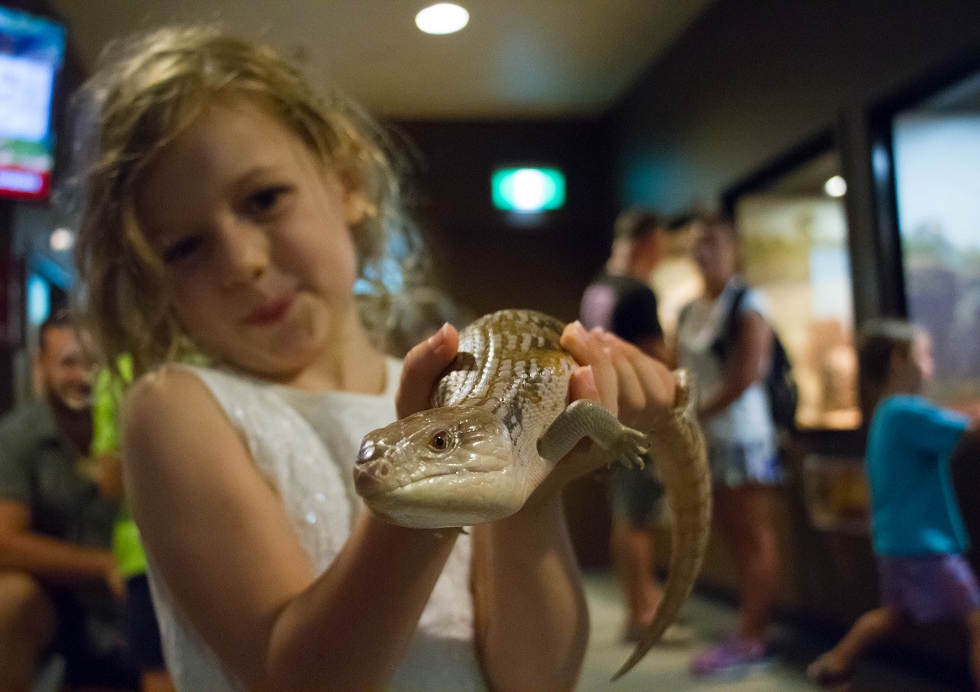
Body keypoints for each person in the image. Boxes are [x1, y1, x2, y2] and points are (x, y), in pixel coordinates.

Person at [69, 26, 696, 690]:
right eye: (184, 247)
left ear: (346, 182)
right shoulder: (174, 408)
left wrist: (531, 486)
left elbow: (536, 680)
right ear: (150, 280)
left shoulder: (449, 395)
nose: (243, 264)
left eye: (263, 199)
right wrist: (428, 483)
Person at [0, 311, 138, 691]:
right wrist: (104, 566)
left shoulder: (143, 423)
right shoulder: (14, 437)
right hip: (57, 608)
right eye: (69, 363)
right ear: (41, 367)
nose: (83, 376)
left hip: (141, 599)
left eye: (94, 363)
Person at [807, 319, 980, 688]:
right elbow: (964, 427)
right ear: (899, 361)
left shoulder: (887, 413)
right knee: (977, 619)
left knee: (893, 616)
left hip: (896, 542)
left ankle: (835, 663)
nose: (930, 364)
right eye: (924, 354)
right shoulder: (904, 410)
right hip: (925, 545)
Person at [676, 214, 783, 677]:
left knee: (753, 538)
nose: (705, 253)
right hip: (707, 440)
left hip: (742, 436)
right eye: (698, 244)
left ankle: (753, 636)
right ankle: (747, 627)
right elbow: (675, 367)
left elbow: (747, 376)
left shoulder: (748, 302)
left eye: (714, 243)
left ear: (733, 248)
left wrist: (693, 413)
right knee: (733, 538)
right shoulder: (687, 310)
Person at [579, 209, 692, 645]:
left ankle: (638, 604)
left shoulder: (598, 287)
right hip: (638, 412)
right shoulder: (639, 292)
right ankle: (644, 614)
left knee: (624, 514)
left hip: (606, 410)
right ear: (649, 241)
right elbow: (655, 357)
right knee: (636, 517)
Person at [93, 355, 176, 692]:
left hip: (142, 551)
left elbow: (110, 481)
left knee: (160, 668)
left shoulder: (120, 369)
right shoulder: (220, 354)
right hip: (226, 545)